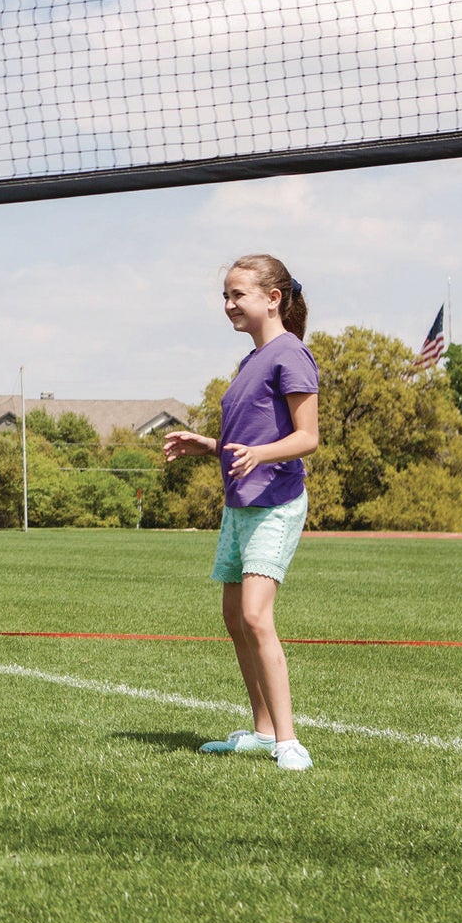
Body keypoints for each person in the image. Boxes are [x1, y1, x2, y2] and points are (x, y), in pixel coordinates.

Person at [163, 253, 319, 772]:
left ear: (272, 299)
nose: (228, 304)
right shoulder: (251, 361)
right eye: (225, 296)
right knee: (234, 618)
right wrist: (207, 445)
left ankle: (289, 741)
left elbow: (307, 437)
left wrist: (262, 455)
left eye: (238, 295)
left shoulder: (290, 354)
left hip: (275, 504)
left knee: (255, 615)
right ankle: (261, 731)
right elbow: (244, 439)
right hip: (240, 505)